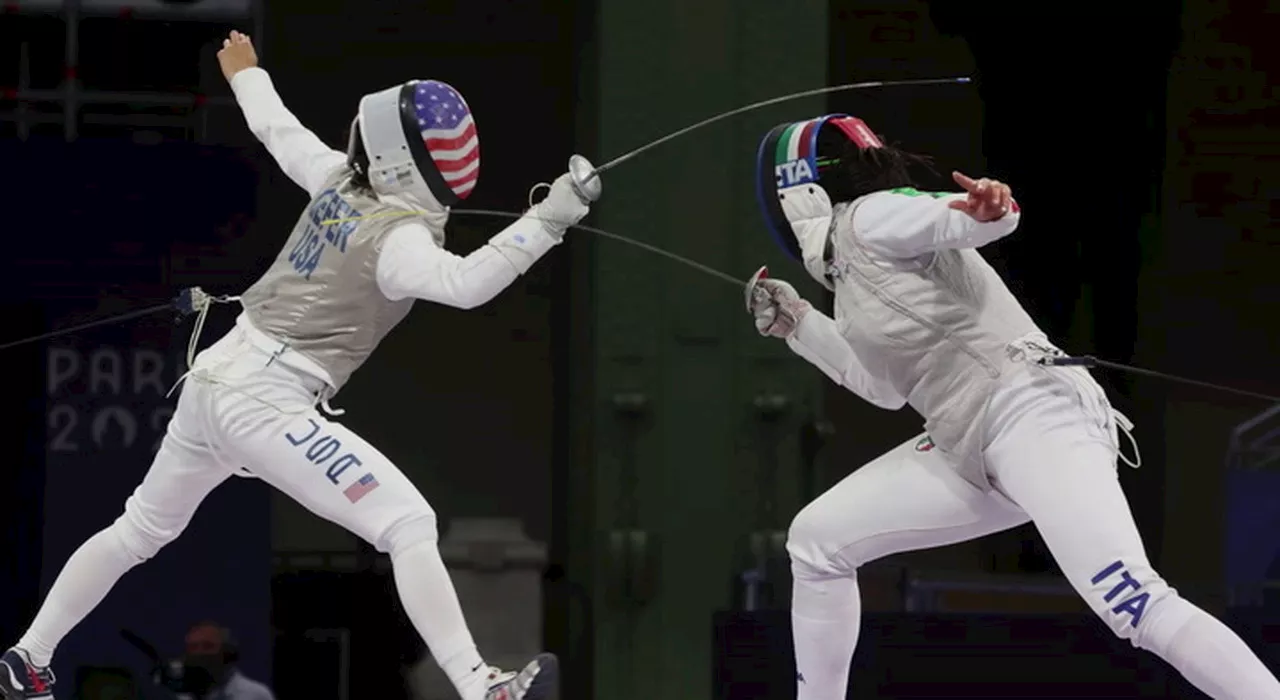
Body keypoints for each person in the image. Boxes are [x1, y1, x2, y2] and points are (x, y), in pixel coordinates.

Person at [0, 30, 591, 700]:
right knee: (408, 524)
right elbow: (465, 285)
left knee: (139, 529)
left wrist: (246, 73)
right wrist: (549, 222)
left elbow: (279, 129)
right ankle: (484, 688)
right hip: (265, 398)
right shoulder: (397, 242)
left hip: (215, 378)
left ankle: (28, 658)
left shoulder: (336, 178)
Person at [747, 113, 1280, 699]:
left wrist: (986, 209)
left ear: (798, 193)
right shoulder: (850, 287)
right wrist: (800, 325)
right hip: (967, 443)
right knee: (817, 541)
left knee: (1134, 603)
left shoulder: (868, 218)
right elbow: (883, 388)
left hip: (1033, 415)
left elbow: (954, 218)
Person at [176, 621, 272, 700]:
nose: (199, 653)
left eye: (208, 646)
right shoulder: (181, 697)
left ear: (226, 652)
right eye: (193, 647)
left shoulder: (253, 695)